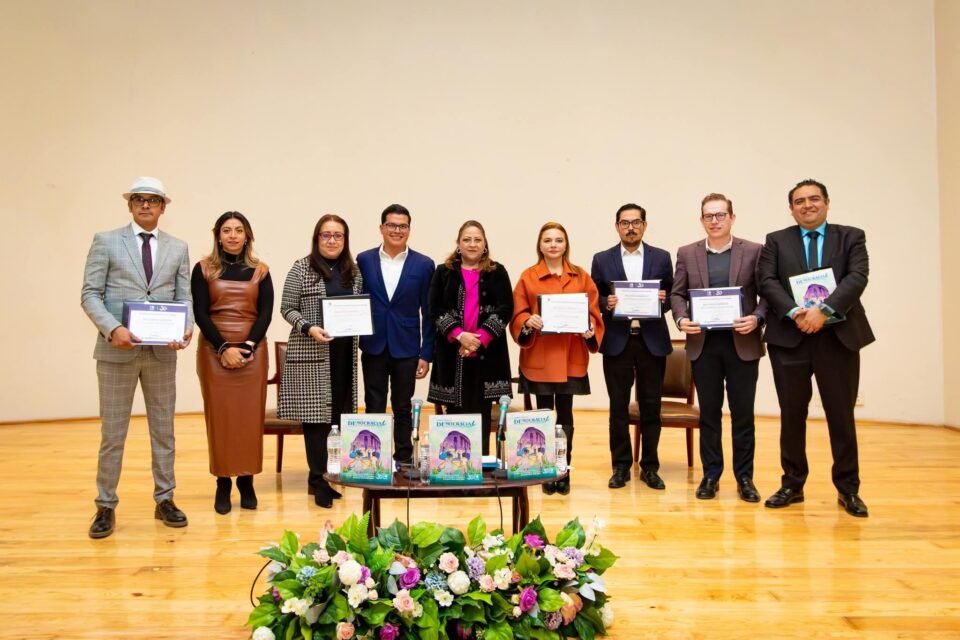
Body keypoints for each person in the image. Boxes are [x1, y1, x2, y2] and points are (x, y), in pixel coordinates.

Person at [80, 176, 193, 539]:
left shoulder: (178, 247)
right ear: (130, 205)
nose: (146, 205)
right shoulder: (106, 241)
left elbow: (184, 297)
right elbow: (90, 294)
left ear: (163, 207)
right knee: (113, 434)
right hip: (116, 352)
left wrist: (186, 327)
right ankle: (105, 505)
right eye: (139, 199)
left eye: (153, 200)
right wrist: (112, 328)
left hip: (161, 354)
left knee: (164, 431)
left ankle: (165, 499)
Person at [757, 179, 874, 517]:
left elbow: (858, 277)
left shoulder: (851, 237)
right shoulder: (776, 240)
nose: (807, 205)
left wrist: (823, 310)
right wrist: (796, 312)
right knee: (792, 414)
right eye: (799, 201)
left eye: (814, 199)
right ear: (791, 208)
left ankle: (848, 489)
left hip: (838, 338)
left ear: (826, 202)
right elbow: (767, 281)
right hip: (789, 338)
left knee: (841, 415)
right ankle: (792, 485)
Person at [670, 194, 767, 502]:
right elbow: (677, 294)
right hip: (704, 347)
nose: (715, 221)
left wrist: (757, 318)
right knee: (709, 415)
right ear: (702, 220)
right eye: (709, 216)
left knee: (743, 415)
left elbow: (767, 294)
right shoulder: (687, 252)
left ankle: (745, 478)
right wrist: (681, 318)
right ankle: (711, 475)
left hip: (743, 345)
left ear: (732, 218)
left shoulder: (754, 251)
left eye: (720, 215)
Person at [510, 222, 604, 495]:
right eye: (548, 240)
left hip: (571, 357)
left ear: (566, 245)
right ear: (540, 245)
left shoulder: (581, 276)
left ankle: (563, 471)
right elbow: (517, 313)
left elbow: (594, 312)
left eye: (558, 240)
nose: (553, 245)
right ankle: (544, 470)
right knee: (542, 416)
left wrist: (590, 328)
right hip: (539, 357)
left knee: (565, 417)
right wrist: (528, 320)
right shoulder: (528, 277)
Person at [278, 214, 363, 508]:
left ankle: (330, 475)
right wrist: (308, 327)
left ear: (345, 240)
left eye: (338, 235)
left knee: (337, 419)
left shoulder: (353, 271)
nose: (332, 240)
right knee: (316, 421)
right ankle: (317, 481)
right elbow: (287, 307)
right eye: (326, 235)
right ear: (316, 238)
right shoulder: (301, 268)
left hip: (343, 356)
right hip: (312, 355)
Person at [191, 211, 273, 514]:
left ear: (247, 235)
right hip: (215, 350)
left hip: (253, 351)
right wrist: (224, 347)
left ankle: (247, 481)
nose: (233, 235)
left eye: (239, 230)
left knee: (249, 419)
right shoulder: (203, 269)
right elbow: (200, 313)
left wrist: (248, 346)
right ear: (218, 235)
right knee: (221, 419)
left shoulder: (261, 271)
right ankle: (223, 482)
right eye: (227, 230)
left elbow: (265, 313)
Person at [591, 204, 674, 491]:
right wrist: (607, 303)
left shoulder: (661, 257)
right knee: (618, 407)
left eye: (636, 222)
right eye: (625, 223)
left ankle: (650, 467)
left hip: (652, 341)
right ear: (617, 226)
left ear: (644, 225)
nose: (630, 228)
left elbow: (673, 294)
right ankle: (621, 466)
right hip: (617, 342)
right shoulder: (602, 259)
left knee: (651, 406)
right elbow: (594, 296)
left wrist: (664, 299)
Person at [357, 204, 435, 463]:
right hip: (373, 345)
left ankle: (403, 458)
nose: (397, 230)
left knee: (402, 406)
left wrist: (426, 353)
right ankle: (374, 459)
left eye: (402, 226)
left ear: (409, 230)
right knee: (374, 404)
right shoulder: (363, 260)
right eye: (391, 225)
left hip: (407, 347)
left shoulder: (424, 264)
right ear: (381, 228)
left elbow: (429, 313)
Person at [428, 220, 514, 455]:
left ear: (485, 244)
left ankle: (482, 465)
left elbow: (506, 308)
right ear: (458, 244)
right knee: (455, 414)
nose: (472, 244)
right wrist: (459, 335)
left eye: (477, 239)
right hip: (453, 353)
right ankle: (455, 464)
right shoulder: (443, 271)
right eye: (467, 239)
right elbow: (434, 308)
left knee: (482, 414)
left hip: (487, 355)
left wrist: (479, 339)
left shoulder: (498, 271)